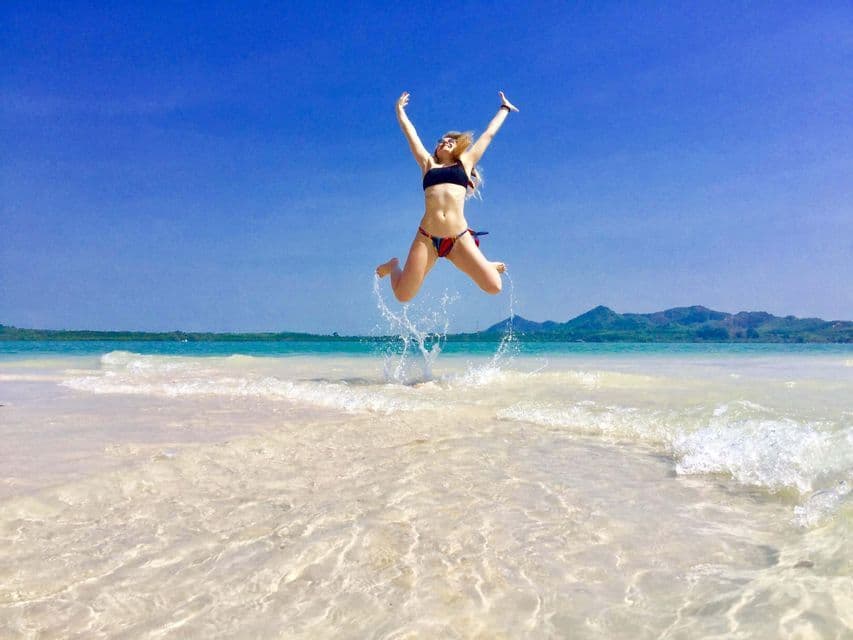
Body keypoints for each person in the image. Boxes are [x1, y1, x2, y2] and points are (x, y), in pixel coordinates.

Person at [376, 91, 519, 302]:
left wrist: (504, 108)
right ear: (436, 148)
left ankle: (482, 264)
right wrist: (399, 111)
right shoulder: (427, 164)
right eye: (441, 140)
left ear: (458, 146)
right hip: (427, 237)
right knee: (403, 295)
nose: (446, 141)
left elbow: (488, 134)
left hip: (458, 238)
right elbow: (411, 135)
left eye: (451, 140)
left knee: (494, 286)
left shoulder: (466, 162)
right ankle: (395, 265)